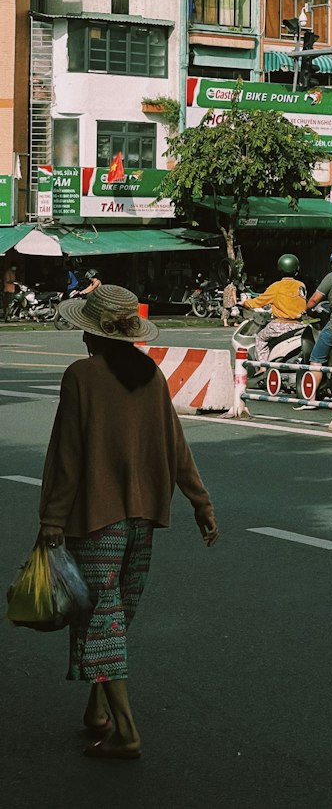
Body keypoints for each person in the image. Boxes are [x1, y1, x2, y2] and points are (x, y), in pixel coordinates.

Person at [39, 284, 218, 760]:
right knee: (112, 613)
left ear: (92, 333)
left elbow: (67, 454)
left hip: (96, 517)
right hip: (144, 516)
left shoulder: (81, 376)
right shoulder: (151, 374)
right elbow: (175, 444)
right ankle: (96, 710)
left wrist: (52, 519)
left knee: (101, 618)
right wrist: (200, 502)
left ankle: (127, 730)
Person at [241, 253, 307, 362]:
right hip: (298, 325)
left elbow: (259, 301)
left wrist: (244, 303)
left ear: (279, 269)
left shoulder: (276, 286)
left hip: (280, 325)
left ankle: (263, 366)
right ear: (297, 268)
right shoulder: (301, 285)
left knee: (260, 338)